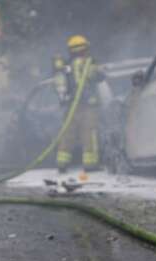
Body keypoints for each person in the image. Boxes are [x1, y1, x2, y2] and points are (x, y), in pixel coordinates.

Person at [54, 34, 104, 178]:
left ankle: (62, 164)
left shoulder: (65, 67)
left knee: (67, 135)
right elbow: (100, 77)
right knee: (89, 134)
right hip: (88, 105)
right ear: (85, 49)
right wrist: (97, 67)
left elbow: (59, 86)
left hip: (71, 107)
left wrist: (64, 99)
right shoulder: (88, 64)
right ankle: (90, 165)